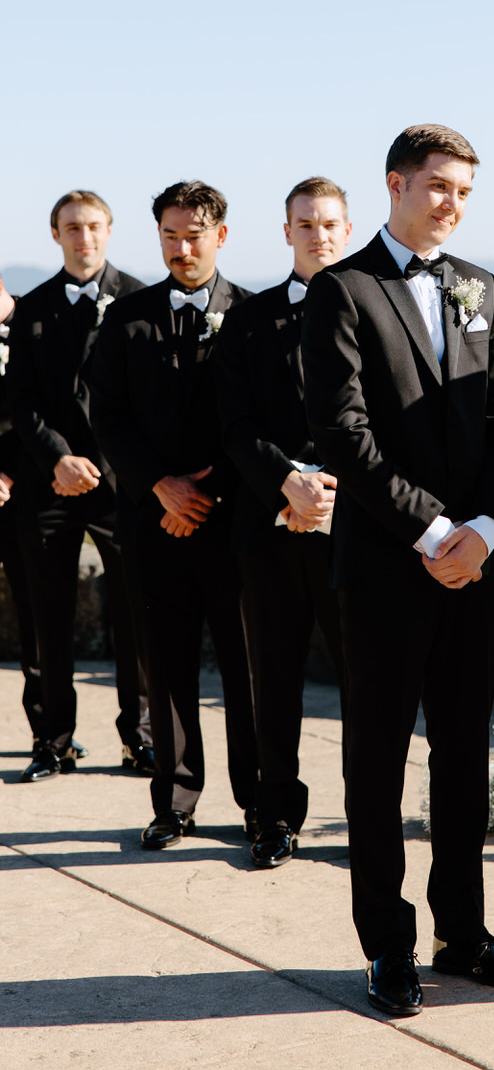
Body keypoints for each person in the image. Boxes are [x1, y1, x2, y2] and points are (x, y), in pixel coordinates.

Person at [302, 124, 494, 1017]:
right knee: (374, 763)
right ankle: (387, 949)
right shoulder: (341, 289)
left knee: (464, 756)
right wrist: (432, 530)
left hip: (473, 566)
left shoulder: (483, 288)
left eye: (465, 192)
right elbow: (343, 435)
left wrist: (479, 529)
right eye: (438, 185)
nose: (451, 203)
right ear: (396, 184)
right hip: (386, 566)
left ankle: (465, 934)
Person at [90, 181, 258, 850]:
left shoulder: (249, 316)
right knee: (166, 668)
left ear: (221, 235)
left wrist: (204, 495)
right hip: (152, 521)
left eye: (193, 235)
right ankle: (174, 801)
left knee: (247, 672)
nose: (181, 248)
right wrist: (161, 487)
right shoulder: (125, 319)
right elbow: (108, 416)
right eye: (169, 235)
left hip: (232, 524)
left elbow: (254, 420)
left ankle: (259, 803)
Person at [216, 176, 348, 870]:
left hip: (352, 528)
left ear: (346, 230)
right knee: (273, 681)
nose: (317, 234)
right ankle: (273, 818)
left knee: (366, 684)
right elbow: (232, 423)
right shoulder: (249, 319)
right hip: (266, 529)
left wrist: (328, 495)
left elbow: (386, 427)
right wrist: (287, 486)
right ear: (287, 231)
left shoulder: (377, 311)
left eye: (328, 223)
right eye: (305, 224)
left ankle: (370, 821)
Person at [7, 192, 151, 782]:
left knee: (134, 619)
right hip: (47, 487)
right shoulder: (33, 309)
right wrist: (60, 460)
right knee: (46, 619)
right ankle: (52, 739)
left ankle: (138, 738)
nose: (83, 237)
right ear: (55, 233)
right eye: (72, 228)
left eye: (92, 227)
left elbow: (146, 401)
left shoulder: (141, 300)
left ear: (109, 231)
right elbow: (21, 400)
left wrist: (103, 461)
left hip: (122, 487)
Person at [0, 271, 43, 750]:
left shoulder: (37, 320)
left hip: (21, 491)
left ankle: (44, 730)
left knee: (36, 616)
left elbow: (41, 409)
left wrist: (10, 474)